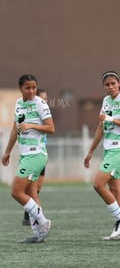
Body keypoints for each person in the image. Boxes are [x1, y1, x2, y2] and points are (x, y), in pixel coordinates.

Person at [83, 70, 120, 240]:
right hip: (109, 149)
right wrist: (90, 151)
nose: (110, 87)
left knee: (98, 185)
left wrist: (112, 119)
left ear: (119, 83)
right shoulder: (106, 101)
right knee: (115, 189)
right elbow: (101, 128)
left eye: (113, 83)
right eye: (107, 84)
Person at [1, 74, 54, 243]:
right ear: (20, 89)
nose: (31, 91)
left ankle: (43, 221)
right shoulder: (18, 104)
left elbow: (51, 128)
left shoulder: (40, 103)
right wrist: (7, 151)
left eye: (33, 87)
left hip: (36, 154)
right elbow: (15, 129)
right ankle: (38, 234)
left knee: (16, 192)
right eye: (27, 88)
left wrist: (31, 125)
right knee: (32, 194)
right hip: (25, 155)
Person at [22, 88, 48, 226]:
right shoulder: (32, 111)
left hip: (42, 153)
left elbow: (50, 128)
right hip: (33, 154)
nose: (45, 101)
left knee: (37, 188)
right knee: (27, 188)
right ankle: (33, 217)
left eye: (46, 99)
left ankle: (34, 217)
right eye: (43, 98)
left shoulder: (44, 112)